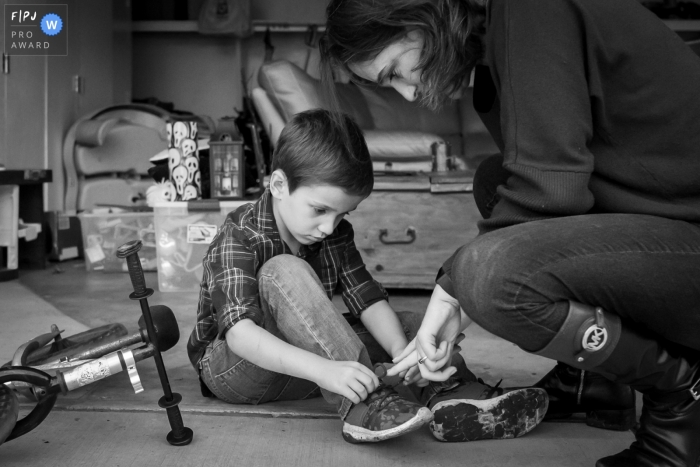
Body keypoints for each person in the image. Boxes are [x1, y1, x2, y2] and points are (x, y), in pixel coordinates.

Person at [321, 0, 700, 465]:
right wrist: (453, 288)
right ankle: (594, 379)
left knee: (489, 273)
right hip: (672, 224)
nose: (408, 94)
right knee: (494, 181)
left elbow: (551, 187)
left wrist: (453, 287)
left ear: (417, 16)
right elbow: (545, 185)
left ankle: (683, 393)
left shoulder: (529, 9)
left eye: (395, 71)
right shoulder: (498, 49)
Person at [187, 108, 547, 444]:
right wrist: (326, 371)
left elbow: (369, 302)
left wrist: (406, 354)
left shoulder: (333, 233)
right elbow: (240, 336)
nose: (330, 227)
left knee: (414, 327)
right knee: (284, 269)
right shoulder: (239, 233)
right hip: (236, 371)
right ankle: (366, 403)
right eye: (320, 210)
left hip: (301, 367)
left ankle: (450, 395)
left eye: (343, 214)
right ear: (279, 185)